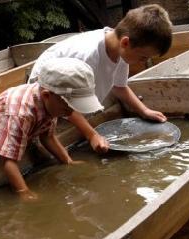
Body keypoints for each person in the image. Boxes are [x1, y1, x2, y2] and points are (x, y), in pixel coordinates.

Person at [28, 4, 172, 153]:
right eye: (143, 57)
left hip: (72, 90)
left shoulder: (120, 49)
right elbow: (65, 101)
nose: (144, 62)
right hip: (46, 89)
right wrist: (92, 136)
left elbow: (119, 86)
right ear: (125, 43)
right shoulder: (89, 57)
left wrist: (143, 110)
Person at [0, 58, 104, 201]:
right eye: (66, 109)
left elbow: (47, 136)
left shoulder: (52, 104)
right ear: (46, 95)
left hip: (10, 146)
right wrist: (24, 192)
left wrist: (68, 161)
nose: (69, 114)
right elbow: (7, 160)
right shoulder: (20, 112)